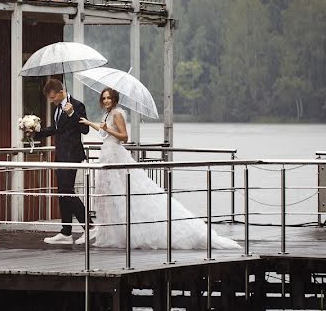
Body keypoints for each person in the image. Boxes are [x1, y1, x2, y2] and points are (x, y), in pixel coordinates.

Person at [78, 87, 240, 250]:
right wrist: (89, 123)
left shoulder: (118, 113)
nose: (106, 100)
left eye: (109, 98)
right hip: (107, 154)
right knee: (112, 195)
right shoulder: (107, 114)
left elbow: (124, 137)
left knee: (127, 191)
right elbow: (104, 131)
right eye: (104, 98)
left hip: (115, 154)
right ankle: (114, 232)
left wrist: (107, 129)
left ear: (115, 99)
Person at [34, 78, 94, 244]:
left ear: (61, 92)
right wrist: (37, 132)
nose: (51, 101)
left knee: (67, 190)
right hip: (60, 155)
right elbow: (57, 129)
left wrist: (72, 114)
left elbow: (85, 129)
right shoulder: (58, 109)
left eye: (53, 98)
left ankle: (90, 227)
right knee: (62, 192)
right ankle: (66, 232)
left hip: (72, 155)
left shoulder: (77, 105)